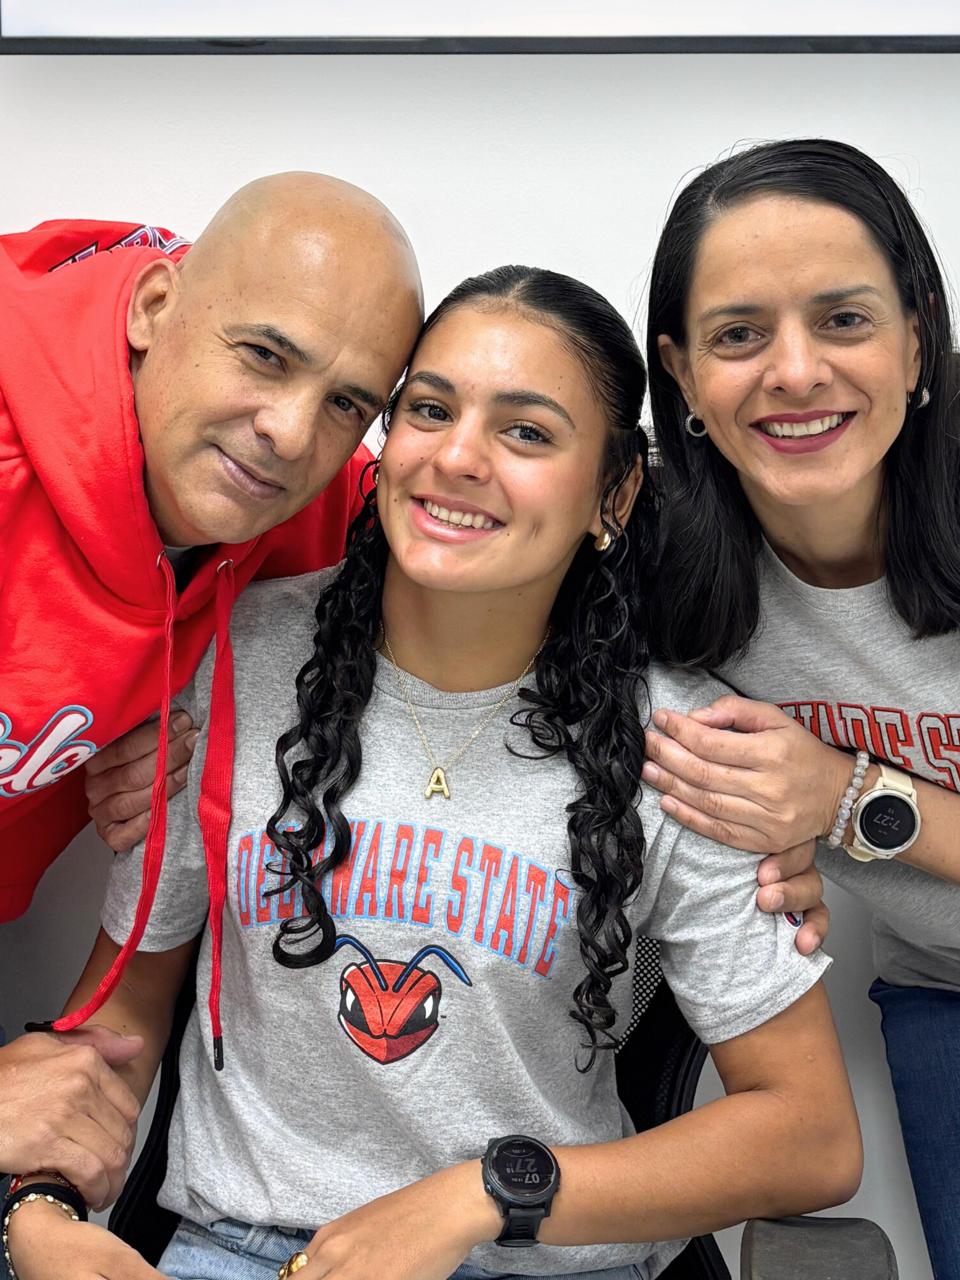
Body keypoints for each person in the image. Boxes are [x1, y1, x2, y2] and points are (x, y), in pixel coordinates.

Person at [4, 267, 860, 1280]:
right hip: (244, 1252)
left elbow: (809, 1136)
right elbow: (121, 1013)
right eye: (430, 409)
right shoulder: (237, 658)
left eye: (526, 432)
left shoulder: (680, 746)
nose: (457, 457)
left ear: (614, 493)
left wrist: (481, 1197)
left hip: (540, 1258)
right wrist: (38, 1210)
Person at [0, 173, 423, 1208]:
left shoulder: (310, 502)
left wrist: (779, 774)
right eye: (264, 355)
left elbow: (543, 545)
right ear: (155, 306)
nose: (290, 432)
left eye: (347, 403)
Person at [641, 138, 960, 1280]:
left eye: (843, 319)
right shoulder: (659, 560)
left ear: (917, 337)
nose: (794, 372)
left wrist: (850, 801)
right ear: (682, 375)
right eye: (738, 335)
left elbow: (837, 799)